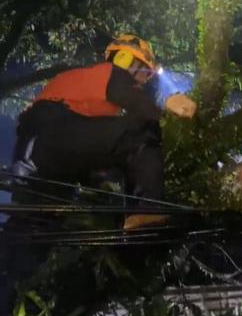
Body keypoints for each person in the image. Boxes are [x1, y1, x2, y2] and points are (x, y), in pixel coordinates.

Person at [11, 34, 196, 230]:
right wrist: (168, 107)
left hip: (31, 157)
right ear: (125, 59)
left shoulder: (81, 84)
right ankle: (148, 208)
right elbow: (138, 105)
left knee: (35, 229)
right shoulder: (110, 72)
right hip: (56, 133)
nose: (144, 81)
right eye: (144, 71)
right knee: (141, 133)